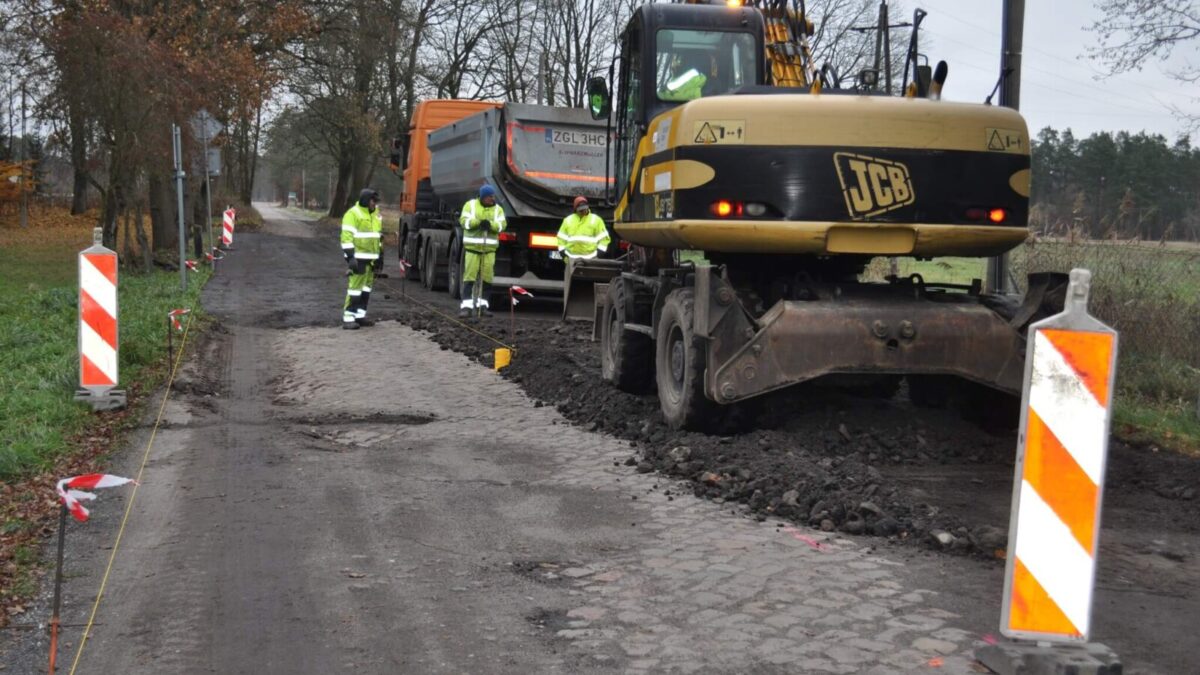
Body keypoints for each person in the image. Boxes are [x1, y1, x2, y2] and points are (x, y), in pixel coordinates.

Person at [458, 184, 507, 318]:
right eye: (489, 197)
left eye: (492, 196)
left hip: (489, 251)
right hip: (472, 250)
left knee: (487, 279)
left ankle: (483, 306)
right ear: (483, 197)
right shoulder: (470, 205)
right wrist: (478, 223)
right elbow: (464, 222)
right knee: (469, 278)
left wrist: (490, 225)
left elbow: (502, 225)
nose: (492, 199)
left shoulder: (498, 210)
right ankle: (466, 308)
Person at [340, 188, 383, 329]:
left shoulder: (375, 215)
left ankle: (359, 316)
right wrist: (350, 257)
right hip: (359, 259)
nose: (374, 204)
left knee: (365, 290)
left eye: (376, 201)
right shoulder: (353, 214)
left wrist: (380, 257)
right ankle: (348, 318)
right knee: (355, 290)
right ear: (366, 200)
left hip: (371, 260)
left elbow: (377, 237)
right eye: (373, 201)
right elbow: (346, 237)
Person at [556, 196, 611, 262]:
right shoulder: (568, 220)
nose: (583, 211)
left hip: (591, 260)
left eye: (585, 209)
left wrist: (598, 255)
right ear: (575, 209)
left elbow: (604, 239)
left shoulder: (596, 220)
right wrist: (564, 255)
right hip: (571, 259)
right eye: (581, 210)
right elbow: (561, 239)